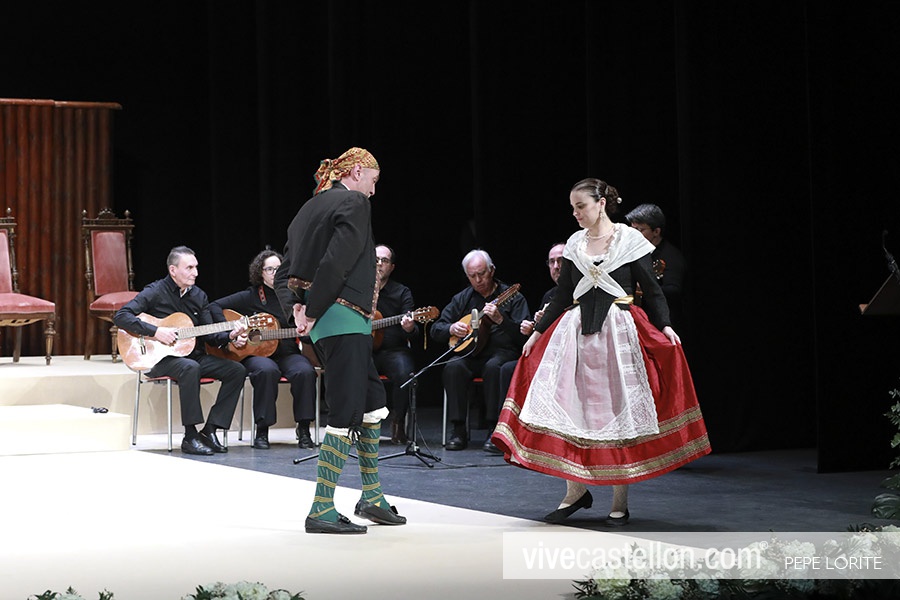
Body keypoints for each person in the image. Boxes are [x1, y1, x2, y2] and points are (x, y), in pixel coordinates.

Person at [492, 178, 710, 525]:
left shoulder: (629, 241)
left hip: (617, 333)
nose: (575, 213)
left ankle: (619, 500)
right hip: (576, 334)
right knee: (573, 409)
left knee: (616, 411)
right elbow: (563, 295)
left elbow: (652, 290)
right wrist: (539, 331)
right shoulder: (575, 244)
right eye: (573, 207)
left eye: (581, 206)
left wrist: (665, 325)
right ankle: (574, 492)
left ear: (602, 203)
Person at [274, 147, 406, 535]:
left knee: (371, 401)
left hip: (332, 321)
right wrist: (313, 309)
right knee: (346, 410)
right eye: (373, 181)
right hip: (341, 317)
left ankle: (372, 497)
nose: (373, 191)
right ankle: (321, 508)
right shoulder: (354, 202)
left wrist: (297, 311)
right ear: (357, 172)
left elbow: (283, 273)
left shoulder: (307, 209)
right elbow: (337, 260)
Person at [114, 246, 249, 456]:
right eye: (189, 268)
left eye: (196, 267)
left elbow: (210, 335)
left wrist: (230, 335)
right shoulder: (155, 291)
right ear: (173, 270)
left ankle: (211, 429)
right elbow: (121, 316)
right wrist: (156, 331)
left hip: (192, 356)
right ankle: (190, 436)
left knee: (236, 370)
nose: (195, 273)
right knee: (190, 367)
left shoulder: (199, 296)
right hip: (159, 359)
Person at [210, 249, 319, 450]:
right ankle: (262, 430)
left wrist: (306, 330)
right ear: (260, 272)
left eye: (279, 268)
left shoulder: (293, 296)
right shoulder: (250, 296)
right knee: (266, 371)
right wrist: (232, 331)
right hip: (257, 355)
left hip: (287, 352)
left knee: (305, 371)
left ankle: (304, 428)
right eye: (270, 269)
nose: (275, 273)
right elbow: (214, 306)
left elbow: (304, 328)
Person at [430, 249, 531, 451]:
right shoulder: (462, 299)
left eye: (482, 274)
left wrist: (501, 320)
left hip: (502, 352)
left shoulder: (513, 297)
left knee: (494, 368)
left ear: (492, 270)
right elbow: (436, 329)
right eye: (472, 276)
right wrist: (451, 328)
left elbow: (524, 337)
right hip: (470, 354)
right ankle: (458, 429)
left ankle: (494, 429)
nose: (478, 280)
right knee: (453, 367)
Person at [372, 244, 419, 445]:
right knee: (350, 369)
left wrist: (409, 327)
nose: (379, 264)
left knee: (405, 373)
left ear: (391, 267)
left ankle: (398, 422)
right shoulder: (357, 291)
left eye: (384, 261)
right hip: (364, 350)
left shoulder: (401, 292)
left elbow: (414, 331)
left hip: (393, 350)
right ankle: (355, 424)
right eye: (375, 260)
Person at [624, 203, 686, 327]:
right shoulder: (633, 253)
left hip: (661, 322)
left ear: (656, 231)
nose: (634, 235)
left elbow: (674, 290)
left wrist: (646, 287)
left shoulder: (671, 256)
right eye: (632, 229)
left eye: (640, 230)